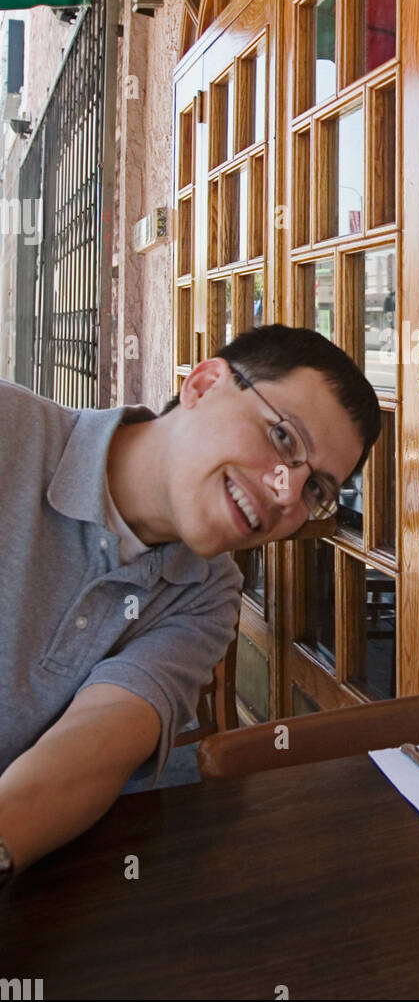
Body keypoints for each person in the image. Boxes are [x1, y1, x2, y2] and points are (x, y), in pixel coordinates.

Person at [0, 325, 380, 889]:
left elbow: (91, 749)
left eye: (316, 489)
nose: (284, 493)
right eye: (281, 437)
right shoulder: (13, 433)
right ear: (203, 385)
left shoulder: (206, 595)